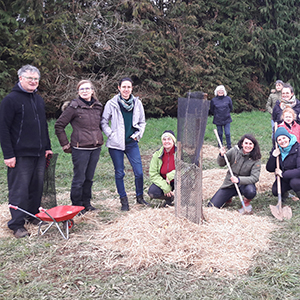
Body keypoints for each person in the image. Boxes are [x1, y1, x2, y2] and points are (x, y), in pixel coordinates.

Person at [0, 65, 53, 238]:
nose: (33, 82)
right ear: (20, 79)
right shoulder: (10, 100)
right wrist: (8, 154)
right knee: (19, 189)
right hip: (20, 154)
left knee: (36, 187)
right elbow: (3, 129)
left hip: (38, 153)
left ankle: (32, 216)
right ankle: (16, 224)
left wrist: (47, 146)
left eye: (36, 79)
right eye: (29, 78)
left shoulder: (38, 100)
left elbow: (43, 126)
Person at [55, 80, 103, 213]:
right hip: (80, 148)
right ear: (78, 92)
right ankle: (76, 206)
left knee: (89, 178)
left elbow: (98, 125)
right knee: (79, 178)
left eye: (87, 88)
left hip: (95, 148)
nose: (85, 91)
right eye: (81, 89)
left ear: (92, 91)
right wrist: (65, 144)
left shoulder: (98, 106)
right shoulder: (73, 107)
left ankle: (87, 204)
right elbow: (59, 125)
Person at [101, 77, 147, 211]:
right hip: (116, 145)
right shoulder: (111, 103)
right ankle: (124, 202)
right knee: (120, 173)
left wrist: (138, 134)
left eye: (129, 87)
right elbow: (104, 121)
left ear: (132, 89)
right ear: (119, 88)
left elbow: (142, 122)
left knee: (139, 172)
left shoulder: (137, 103)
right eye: (124, 87)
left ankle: (140, 197)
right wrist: (111, 134)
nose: (126, 89)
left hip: (131, 143)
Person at [208, 134, 261, 213]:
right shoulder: (234, 151)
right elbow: (221, 164)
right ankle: (228, 197)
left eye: (250, 144)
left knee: (250, 191)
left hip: (244, 184)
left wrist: (239, 180)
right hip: (230, 183)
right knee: (212, 206)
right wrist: (222, 155)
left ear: (254, 146)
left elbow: (255, 177)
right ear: (242, 144)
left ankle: (246, 202)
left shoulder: (256, 158)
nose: (248, 146)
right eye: (246, 143)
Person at [266, 127, 300, 201]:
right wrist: (273, 156)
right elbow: (269, 168)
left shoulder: (298, 148)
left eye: (284, 138)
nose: (282, 141)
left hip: (297, 177)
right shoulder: (277, 150)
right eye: (279, 140)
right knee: (275, 190)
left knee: (295, 183)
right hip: (285, 179)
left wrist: (283, 174)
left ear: (288, 138)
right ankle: (285, 195)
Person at [148, 130, 176, 207]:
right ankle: (170, 198)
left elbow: (186, 168)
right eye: (164, 139)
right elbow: (153, 174)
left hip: (179, 180)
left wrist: (171, 175)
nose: (166, 141)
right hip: (164, 181)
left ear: (173, 140)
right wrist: (165, 187)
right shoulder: (157, 154)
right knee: (152, 192)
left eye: (169, 139)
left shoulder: (180, 152)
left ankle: (180, 199)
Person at [209, 85, 233, 149]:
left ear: (224, 92)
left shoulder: (228, 99)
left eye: (222, 91)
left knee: (227, 133)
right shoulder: (214, 100)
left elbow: (231, 108)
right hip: (218, 119)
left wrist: (226, 113)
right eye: (219, 91)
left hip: (226, 118)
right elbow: (212, 109)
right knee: (220, 133)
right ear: (216, 92)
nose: (220, 92)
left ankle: (229, 145)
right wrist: (217, 114)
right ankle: (220, 145)